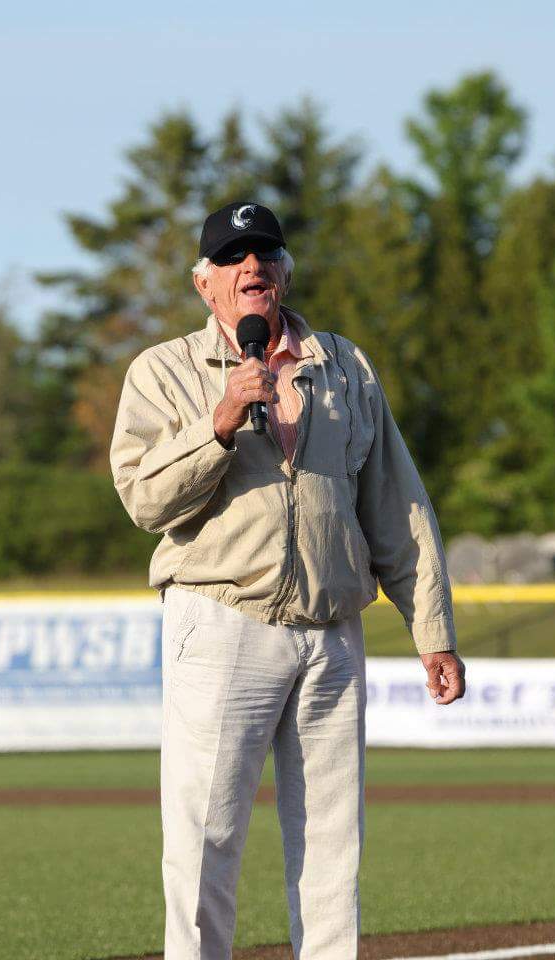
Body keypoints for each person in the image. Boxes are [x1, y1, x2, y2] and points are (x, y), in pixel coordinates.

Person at [110, 200, 465, 960]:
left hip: (332, 634)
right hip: (221, 623)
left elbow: (398, 504)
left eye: (264, 254)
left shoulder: (344, 365)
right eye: (234, 258)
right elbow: (144, 500)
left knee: (334, 849)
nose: (252, 268)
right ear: (205, 284)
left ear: (284, 273)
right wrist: (218, 422)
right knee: (206, 839)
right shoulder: (163, 371)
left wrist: (431, 629)